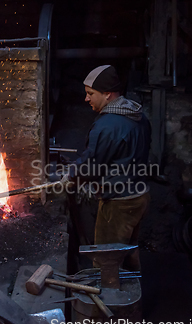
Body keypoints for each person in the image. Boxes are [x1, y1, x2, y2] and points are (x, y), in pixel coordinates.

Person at [63, 65, 151, 271]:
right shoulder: (138, 116)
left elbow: (91, 165)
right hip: (140, 196)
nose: (87, 99)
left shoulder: (107, 125)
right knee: (128, 247)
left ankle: (110, 301)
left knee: (107, 258)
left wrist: (70, 176)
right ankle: (132, 291)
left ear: (108, 94)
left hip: (119, 203)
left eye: (90, 94)